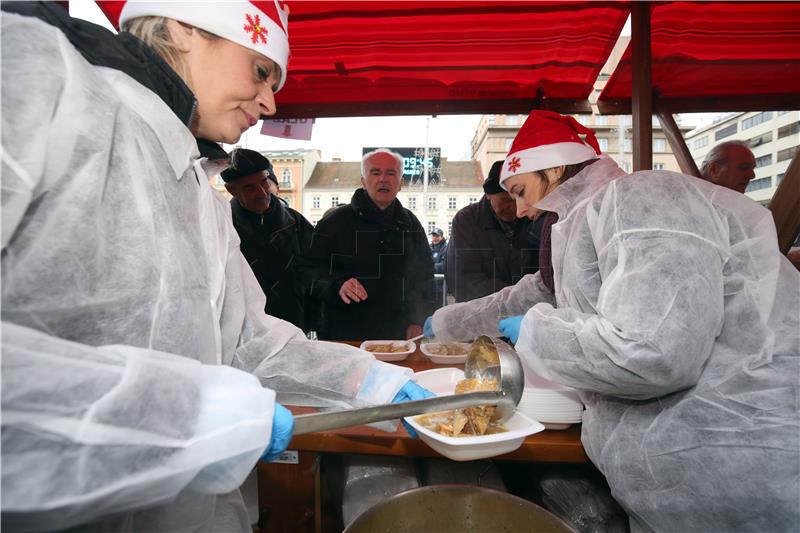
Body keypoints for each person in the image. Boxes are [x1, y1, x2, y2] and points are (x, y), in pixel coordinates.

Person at [0, 3, 432, 531]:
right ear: (184, 29)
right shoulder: (43, 80)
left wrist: (370, 382)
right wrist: (188, 413)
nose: (271, 103)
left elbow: (250, 339)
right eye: (260, 70)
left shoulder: (201, 197)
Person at [424, 111, 799, 532]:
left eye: (521, 190)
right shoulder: (583, 222)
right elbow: (534, 293)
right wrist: (445, 323)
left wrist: (534, 331)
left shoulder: (642, 200)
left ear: (555, 168)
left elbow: (655, 353)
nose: (523, 208)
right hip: (677, 466)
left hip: (736, 456)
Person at [306, 149, 435, 341]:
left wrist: (417, 320)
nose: (383, 179)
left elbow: (424, 277)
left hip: (398, 336)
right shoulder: (335, 222)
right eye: (375, 172)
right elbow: (309, 271)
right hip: (344, 335)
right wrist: (336, 284)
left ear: (400, 183)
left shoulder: (411, 224)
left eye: (391, 173)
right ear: (363, 181)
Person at [223, 148, 314, 330]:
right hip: (243, 328)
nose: (262, 193)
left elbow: (315, 269)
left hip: (292, 324)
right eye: (249, 188)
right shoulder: (222, 226)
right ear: (231, 190)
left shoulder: (295, 222)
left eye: (264, 182)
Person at [446, 160, 539, 302]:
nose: (516, 208)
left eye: (519, 197)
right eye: (506, 200)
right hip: (481, 311)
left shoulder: (533, 218)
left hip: (528, 311)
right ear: (488, 194)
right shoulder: (467, 221)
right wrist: (513, 296)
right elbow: (461, 279)